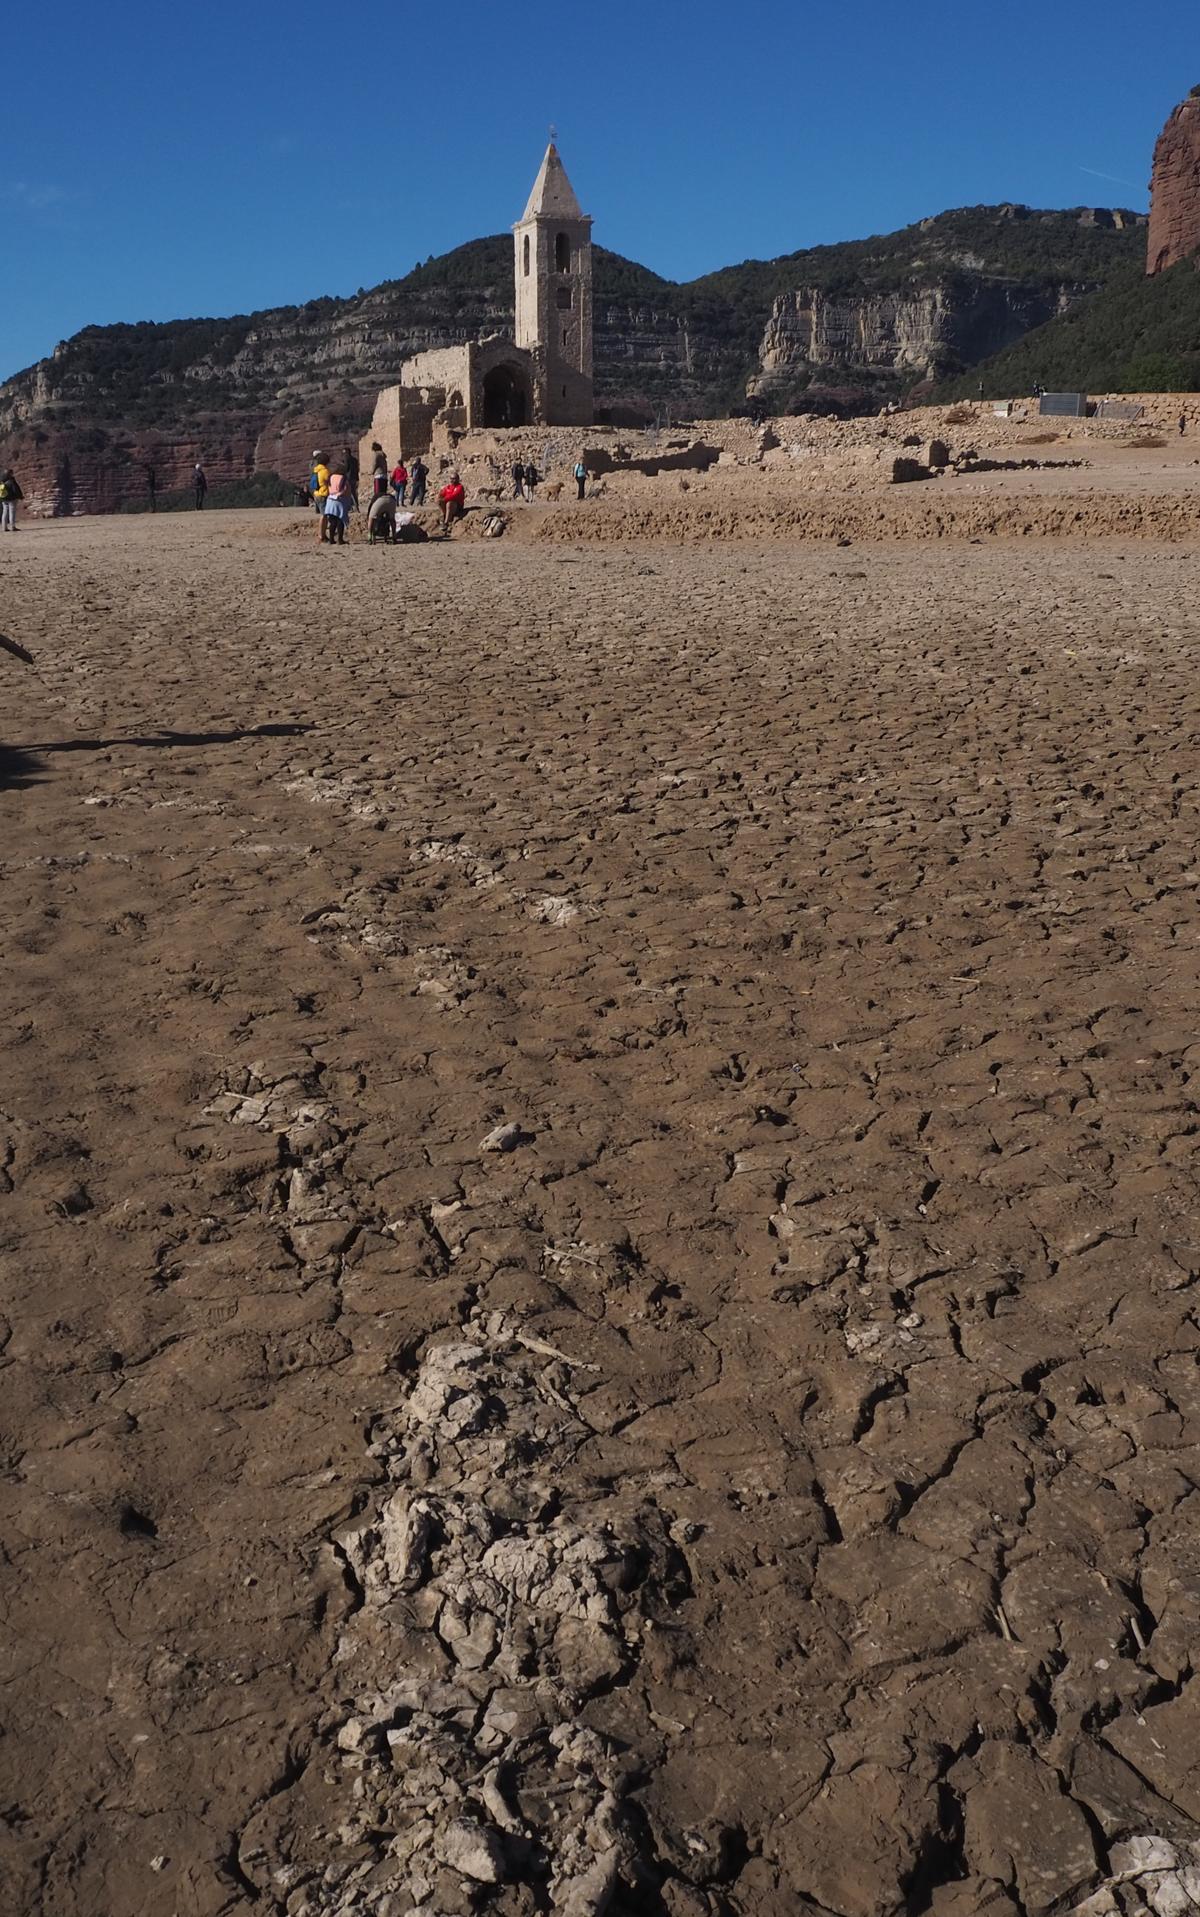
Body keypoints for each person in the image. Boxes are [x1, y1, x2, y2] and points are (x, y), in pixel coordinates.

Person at [323, 469, 350, 545]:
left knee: (332, 521)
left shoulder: (331, 477)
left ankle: (331, 539)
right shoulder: (343, 478)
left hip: (330, 500)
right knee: (340, 520)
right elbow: (345, 489)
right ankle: (340, 539)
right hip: (340, 501)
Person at [342, 445, 361, 510]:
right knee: (354, 492)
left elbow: (346, 469)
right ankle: (356, 506)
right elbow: (357, 469)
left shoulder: (347, 459)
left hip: (348, 478)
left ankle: (351, 507)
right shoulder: (355, 460)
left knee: (349, 493)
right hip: (354, 478)